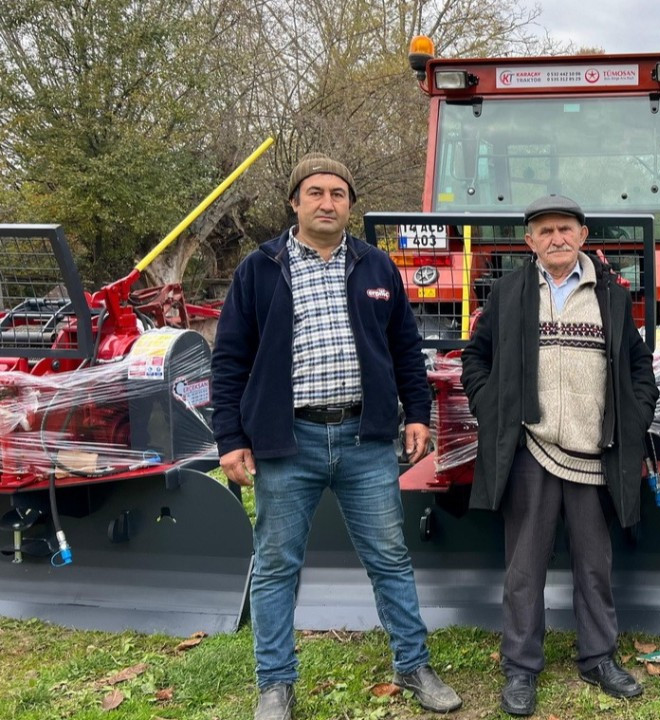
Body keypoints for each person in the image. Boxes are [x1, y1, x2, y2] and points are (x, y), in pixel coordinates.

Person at [212, 153, 462, 720]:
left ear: (350, 204)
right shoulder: (259, 268)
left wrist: (417, 412)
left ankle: (412, 663)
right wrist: (230, 437)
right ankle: (275, 684)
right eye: (316, 193)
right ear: (295, 202)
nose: (328, 203)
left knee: (390, 558)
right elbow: (229, 359)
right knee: (277, 564)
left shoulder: (377, 268)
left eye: (339, 194)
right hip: (287, 441)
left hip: (365, 440)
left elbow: (404, 347)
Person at [460, 195, 658, 717]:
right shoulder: (508, 293)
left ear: (582, 235)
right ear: (529, 242)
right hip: (531, 448)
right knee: (524, 566)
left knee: (595, 563)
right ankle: (521, 668)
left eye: (565, 229)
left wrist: (632, 420)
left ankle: (598, 657)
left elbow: (639, 368)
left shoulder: (611, 296)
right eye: (544, 231)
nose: (556, 238)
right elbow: (474, 359)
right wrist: (494, 410)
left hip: (595, 452)